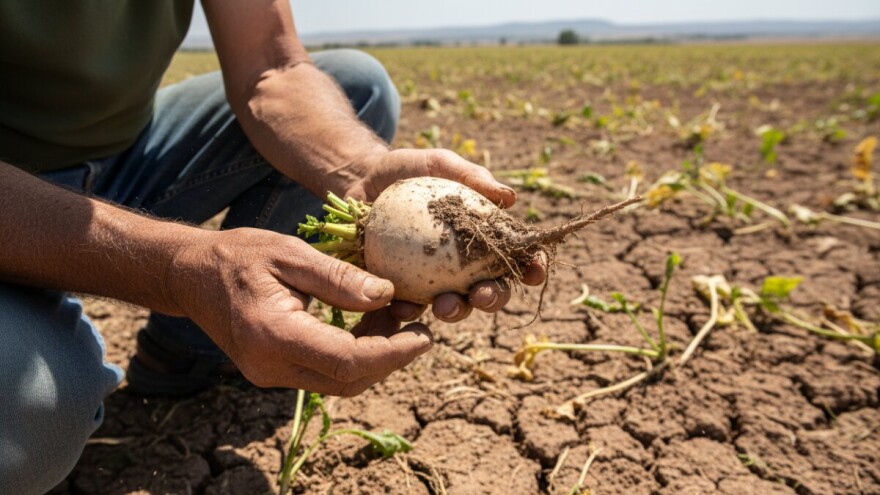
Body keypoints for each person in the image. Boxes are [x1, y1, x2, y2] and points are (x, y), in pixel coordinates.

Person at [0, 1, 545, 493]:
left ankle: (183, 356)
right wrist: (177, 270)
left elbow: (272, 65)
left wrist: (359, 169)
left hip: (123, 154)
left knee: (356, 87)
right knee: (27, 427)